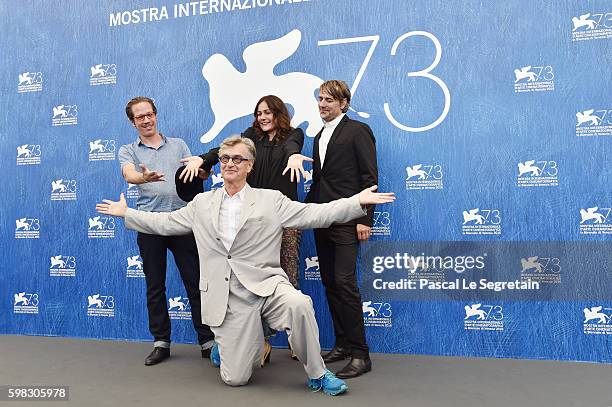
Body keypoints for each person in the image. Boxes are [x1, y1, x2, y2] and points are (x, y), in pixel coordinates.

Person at [97, 136, 395, 395]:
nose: (229, 163)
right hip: (229, 300)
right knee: (235, 379)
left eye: (237, 159)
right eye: (225, 158)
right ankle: (227, 347)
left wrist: (356, 201)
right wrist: (127, 214)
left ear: (249, 166)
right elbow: (165, 223)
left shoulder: (271, 199)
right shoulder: (202, 204)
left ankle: (317, 373)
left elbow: (314, 213)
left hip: (267, 286)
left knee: (299, 303)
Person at [178, 95, 310, 362]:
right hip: (253, 220)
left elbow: (291, 147)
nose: (262, 117)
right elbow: (224, 150)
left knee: (288, 277)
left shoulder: (293, 134)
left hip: (283, 217)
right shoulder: (251, 136)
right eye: (258, 113)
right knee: (253, 282)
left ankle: (298, 339)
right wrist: (203, 160)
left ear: (278, 113)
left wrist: (295, 156)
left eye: (267, 113)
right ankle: (262, 342)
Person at [118, 96, 215, 366]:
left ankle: (207, 341)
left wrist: (203, 171)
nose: (146, 120)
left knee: (196, 282)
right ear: (132, 122)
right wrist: (143, 177)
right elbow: (129, 175)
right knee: (155, 285)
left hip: (183, 221)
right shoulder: (128, 150)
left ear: (156, 115)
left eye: (149, 114)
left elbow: (195, 175)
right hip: (150, 224)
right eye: (140, 117)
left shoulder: (179, 145)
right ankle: (161, 342)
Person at [303, 80, 378, 379]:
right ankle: (343, 344)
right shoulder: (318, 135)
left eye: (329, 100)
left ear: (343, 103)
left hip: (349, 220)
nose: (322, 104)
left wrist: (365, 219)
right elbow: (320, 182)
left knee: (346, 283)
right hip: (323, 219)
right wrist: (303, 214)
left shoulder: (358, 131)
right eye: (320, 99)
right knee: (331, 283)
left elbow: (369, 177)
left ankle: (361, 354)